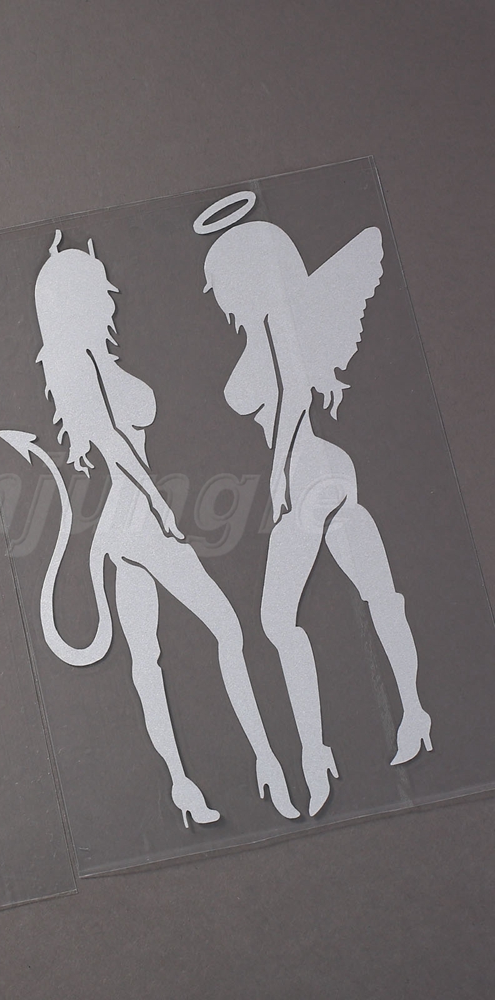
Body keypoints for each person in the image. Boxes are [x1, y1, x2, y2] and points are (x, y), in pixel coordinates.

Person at [0, 231, 298, 828]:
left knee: (148, 658)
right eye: (97, 287)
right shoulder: (83, 363)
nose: (107, 295)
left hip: (121, 523)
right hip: (139, 516)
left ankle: (183, 785)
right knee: (227, 630)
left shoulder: (87, 361)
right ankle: (266, 763)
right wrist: (162, 511)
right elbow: (116, 443)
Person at [203, 220, 432, 816]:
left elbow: (292, 398)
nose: (220, 299)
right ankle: (413, 711)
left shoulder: (273, 323)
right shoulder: (287, 320)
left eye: (222, 284)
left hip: (304, 473)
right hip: (332, 465)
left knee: (277, 621)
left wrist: (278, 473)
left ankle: (315, 754)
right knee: (379, 594)